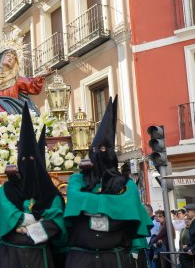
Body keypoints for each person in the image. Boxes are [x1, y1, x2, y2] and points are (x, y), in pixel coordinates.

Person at [64, 96, 153, 268]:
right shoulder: (78, 179)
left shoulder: (127, 185)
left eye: (103, 149)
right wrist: (111, 208)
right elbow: (75, 200)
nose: (98, 153)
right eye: (95, 149)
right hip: (81, 260)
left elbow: (127, 213)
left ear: (111, 153)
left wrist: (88, 210)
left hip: (113, 259)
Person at [0, 103, 67, 268]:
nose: (27, 165)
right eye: (23, 161)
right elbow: (8, 216)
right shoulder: (7, 190)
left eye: (32, 161)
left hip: (39, 257)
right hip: (11, 256)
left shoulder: (50, 193)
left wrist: (27, 230)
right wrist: (37, 219)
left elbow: (55, 222)